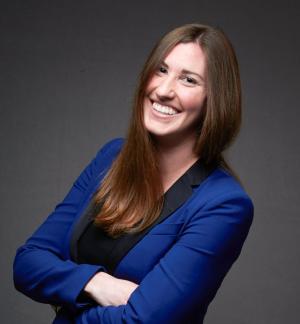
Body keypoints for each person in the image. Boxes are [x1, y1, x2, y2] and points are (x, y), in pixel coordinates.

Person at [13, 23, 254, 323]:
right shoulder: (111, 157)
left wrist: (69, 298)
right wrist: (98, 284)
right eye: (161, 70)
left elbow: (143, 320)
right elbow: (27, 263)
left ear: (214, 100)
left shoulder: (225, 204)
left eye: (188, 80)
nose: (164, 91)